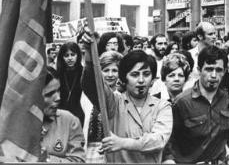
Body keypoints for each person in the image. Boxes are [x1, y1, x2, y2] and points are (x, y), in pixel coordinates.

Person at [80, 32, 173, 163]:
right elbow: (92, 85)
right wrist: (90, 54)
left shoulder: (163, 106)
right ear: (124, 79)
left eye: (146, 74)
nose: (141, 80)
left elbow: (158, 141)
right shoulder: (114, 102)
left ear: (153, 79)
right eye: (134, 75)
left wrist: (122, 143)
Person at [164, 46, 229, 164]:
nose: (214, 75)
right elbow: (169, 139)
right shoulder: (182, 101)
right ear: (199, 70)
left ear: (224, 71)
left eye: (219, 70)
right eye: (209, 69)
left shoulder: (227, 99)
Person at [40, 67, 85, 163]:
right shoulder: (16, 123)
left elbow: (79, 160)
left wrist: (47, 160)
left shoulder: (70, 121)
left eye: (58, 90)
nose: (58, 98)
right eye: (49, 94)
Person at [85, 51, 123, 163]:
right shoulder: (87, 97)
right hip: (87, 153)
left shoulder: (122, 99)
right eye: (106, 70)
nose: (110, 75)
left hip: (112, 153)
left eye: (114, 70)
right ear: (99, 72)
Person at [56, 42, 85, 126]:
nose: (70, 58)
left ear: (78, 55)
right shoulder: (58, 74)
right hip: (61, 114)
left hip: (79, 114)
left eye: (72, 54)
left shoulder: (83, 73)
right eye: (66, 55)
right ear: (62, 57)